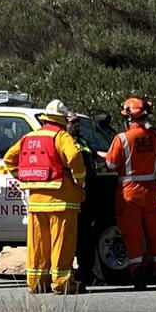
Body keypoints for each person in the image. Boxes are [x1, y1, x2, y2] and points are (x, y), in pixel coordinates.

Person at [4, 100, 87, 294]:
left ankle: (36, 283)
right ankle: (62, 283)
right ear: (61, 120)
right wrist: (79, 183)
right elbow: (74, 157)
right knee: (62, 243)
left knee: (38, 244)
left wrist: (24, 176)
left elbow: (9, 158)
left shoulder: (29, 137)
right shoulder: (61, 136)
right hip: (61, 199)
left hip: (36, 201)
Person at [105, 96, 156, 290]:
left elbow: (111, 164)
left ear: (129, 118)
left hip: (129, 193)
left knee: (133, 235)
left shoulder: (122, 138)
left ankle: (138, 274)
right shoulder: (155, 135)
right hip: (150, 191)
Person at [67, 112, 101, 286]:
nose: (76, 125)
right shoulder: (64, 141)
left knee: (87, 236)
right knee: (72, 237)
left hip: (88, 195)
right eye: (72, 122)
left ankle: (86, 272)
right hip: (72, 196)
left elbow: (94, 158)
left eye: (77, 122)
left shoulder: (83, 141)